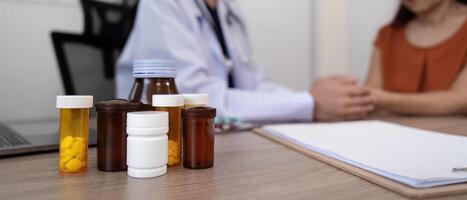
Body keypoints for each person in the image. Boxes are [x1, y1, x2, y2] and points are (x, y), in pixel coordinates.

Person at [117, 0, 373, 122]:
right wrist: (310, 103)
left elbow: (254, 84)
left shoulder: (230, 10)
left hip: (227, 136)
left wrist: (312, 98)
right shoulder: (162, 4)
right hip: (169, 138)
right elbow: (194, 99)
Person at [366, 0, 467, 115]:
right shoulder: (388, 34)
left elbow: (462, 100)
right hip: (395, 132)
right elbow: (370, 97)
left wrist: (383, 100)